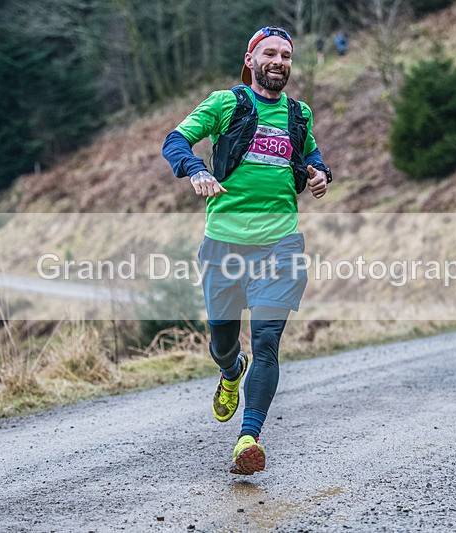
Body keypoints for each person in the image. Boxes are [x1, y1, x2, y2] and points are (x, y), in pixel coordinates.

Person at [161, 26, 332, 475]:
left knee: (268, 342)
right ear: (251, 59)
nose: (280, 62)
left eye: (287, 56)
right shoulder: (226, 103)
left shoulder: (299, 114)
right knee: (223, 342)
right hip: (225, 244)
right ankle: (230, 370)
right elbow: (175, 141)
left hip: (280, 244)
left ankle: (248, 439)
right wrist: (195, 169)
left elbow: (312, 157)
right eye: (270, 53)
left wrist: (319, 174)